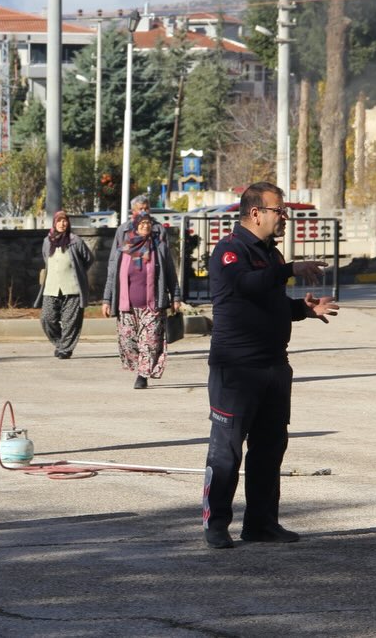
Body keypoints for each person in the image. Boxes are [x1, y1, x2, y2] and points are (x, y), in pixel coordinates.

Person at [202, 182, 338, 549]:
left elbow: (268, 300)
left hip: (274, 365)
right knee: (226, 449)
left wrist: (302, 310)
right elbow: (245, 286)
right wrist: (291, 269)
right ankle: (216, 525)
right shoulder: (230, 251)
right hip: (237, 368)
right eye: (280, 211)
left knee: (270, 446)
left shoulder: (272, 256)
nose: (285, 218)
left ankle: (261, 524)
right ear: (255, 213)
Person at [102, 212, 181, 389]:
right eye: (142, 223)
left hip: (152, 306)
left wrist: (176, 296)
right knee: (128, 342)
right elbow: (112, 276)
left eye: (148, 223)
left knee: (150, 341)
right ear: (135, 226)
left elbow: (170, 274)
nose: (146, 226)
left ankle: (142, 375)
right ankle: (138, 366)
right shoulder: (123, 249)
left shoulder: (159, 248)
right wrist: (107, 299)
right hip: (127, 306)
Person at [35, 210, 93, 359]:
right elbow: (45, 258)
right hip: (51, 288)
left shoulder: (75, 241)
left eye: (65, 220)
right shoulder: (47, 241)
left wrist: (79, 272)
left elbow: (88, 259)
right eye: (59, 221)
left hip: (72, 288)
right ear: (54, 223)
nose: (62, 223)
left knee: (70, 322)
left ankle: (66, 349)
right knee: (47, 319)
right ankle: (61, 343)